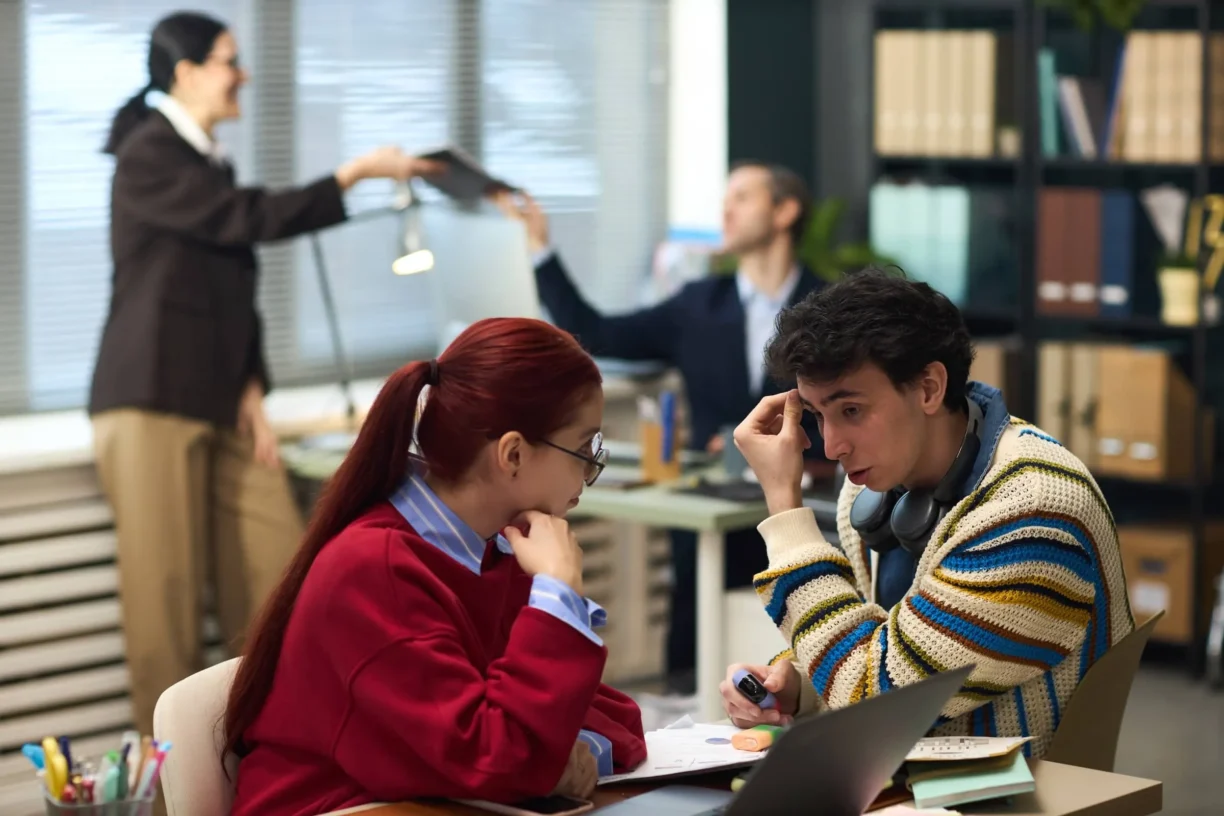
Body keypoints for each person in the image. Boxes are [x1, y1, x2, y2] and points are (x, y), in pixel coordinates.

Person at [88, 11, 443, 736]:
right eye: (228, 60)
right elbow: (242, 220)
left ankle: (271, 763)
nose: (241, 73)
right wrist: (353, 175)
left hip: (221, 400)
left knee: (278, 576)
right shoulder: (149, 152)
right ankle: (174, 796)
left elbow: (222, 289)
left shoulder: (202, 159)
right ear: (184, 73)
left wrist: (252, 389)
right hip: (150, 400)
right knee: (168, 608)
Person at [223, 318, 647, 816]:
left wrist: (560, 759)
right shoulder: (375, 572)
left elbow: (615, 719)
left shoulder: (492, 552)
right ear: (512, 454)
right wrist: (557, 595)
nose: (590, 470)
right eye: (582, 449)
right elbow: (500, 759)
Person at [720, 268, 1133, 758]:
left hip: (1010, 803)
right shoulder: (874, 492)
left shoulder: (1033, 510)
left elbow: (871, 694)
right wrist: (799, 681)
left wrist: (786, 512)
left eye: (850, 410)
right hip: (907, 782)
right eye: (815, 414)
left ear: (930, 388)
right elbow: (889, 645)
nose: (831, 446)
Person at [494, 161, 832, 694]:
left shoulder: (830, 307)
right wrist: (541, 249)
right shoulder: (698, 304)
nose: (726, 209)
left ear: (785, 211)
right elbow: (596, 331)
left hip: (799, 508)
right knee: (694, 662)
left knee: (789, 649)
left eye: (742, 196)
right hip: (705, 514)